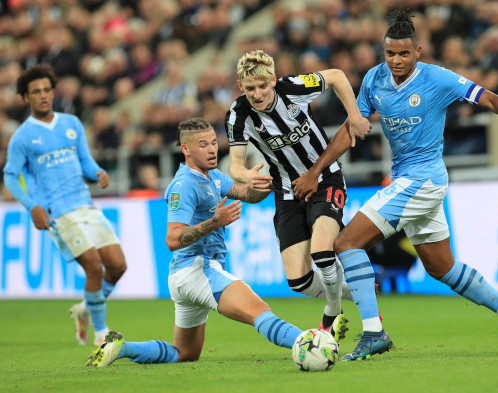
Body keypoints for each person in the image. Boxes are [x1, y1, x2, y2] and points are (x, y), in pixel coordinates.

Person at [292, 10, 498, 360]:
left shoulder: (438, 79)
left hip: (422, 179)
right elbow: (351, 128)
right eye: (390, 53)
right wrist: (316, 170)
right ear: (384, 52)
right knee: (441, 267)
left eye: (404, 53)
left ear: (418, 51)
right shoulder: (375, 79)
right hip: (412, 179)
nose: (397, 60)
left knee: (346, 242)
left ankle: (374, 331)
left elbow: (490, 99)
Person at [86, 118, 346, 367]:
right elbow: (172, 239)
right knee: (259, 310)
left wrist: (268, 181)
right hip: (198, 270)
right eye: (203, 144)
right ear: (186, 149)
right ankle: (317, 343)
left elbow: (247, 194)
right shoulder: (183, 186)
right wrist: (215, 222)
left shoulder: (212, 177)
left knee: (185, 353)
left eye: (213, 142)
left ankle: (122, 347)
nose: (212, 149)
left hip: (184, 276)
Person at [225, 50, 372, 331]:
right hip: (286, 191)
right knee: (299, 281)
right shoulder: (237, 115)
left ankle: (333, 312)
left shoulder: (293, 88)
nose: (257, 94)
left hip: (326, 178)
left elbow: (337, 76)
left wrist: (354, 116)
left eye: (263, 86)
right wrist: (246, 175)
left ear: (274, 81)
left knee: (321, 251)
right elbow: (235, 166)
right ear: (240, 86)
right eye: (250, 88)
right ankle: (355, 292)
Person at [3, 65, 127, 346]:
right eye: (36, 92)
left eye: (47, 90)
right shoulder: (22, 137)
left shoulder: (71, 123)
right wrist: (31, 205)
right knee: (94, 266)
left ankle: (85, 308)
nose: (43, 96)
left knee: (118, 266)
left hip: (85, 205)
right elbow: (10, 176)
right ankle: (100, 335)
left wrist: (97, 172)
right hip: (57, 212)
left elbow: (84, 159)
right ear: (26, 97)